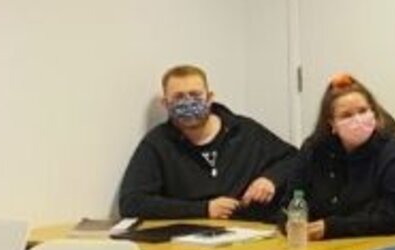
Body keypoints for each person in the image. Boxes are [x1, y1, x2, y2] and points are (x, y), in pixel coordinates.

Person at [116, 64, 296, 223]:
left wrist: (270, 179)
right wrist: (203, 209)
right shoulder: (157, 144)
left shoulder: (245, 131)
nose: (188, 102)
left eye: (195, 95)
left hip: (251, 234)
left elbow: (295, 158)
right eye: (179, 97)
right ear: (165, 103)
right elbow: (132, 202)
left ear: (209, 97)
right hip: (188, 244)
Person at [284, 74, 395, 240]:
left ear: (374, 112)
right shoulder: (314, 149)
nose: (358, 120)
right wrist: (289, 223)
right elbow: (291, 202)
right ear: (331, 123)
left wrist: (332, 227)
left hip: (380, 247)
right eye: (346, 115)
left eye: (363, 111)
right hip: (315, 247)